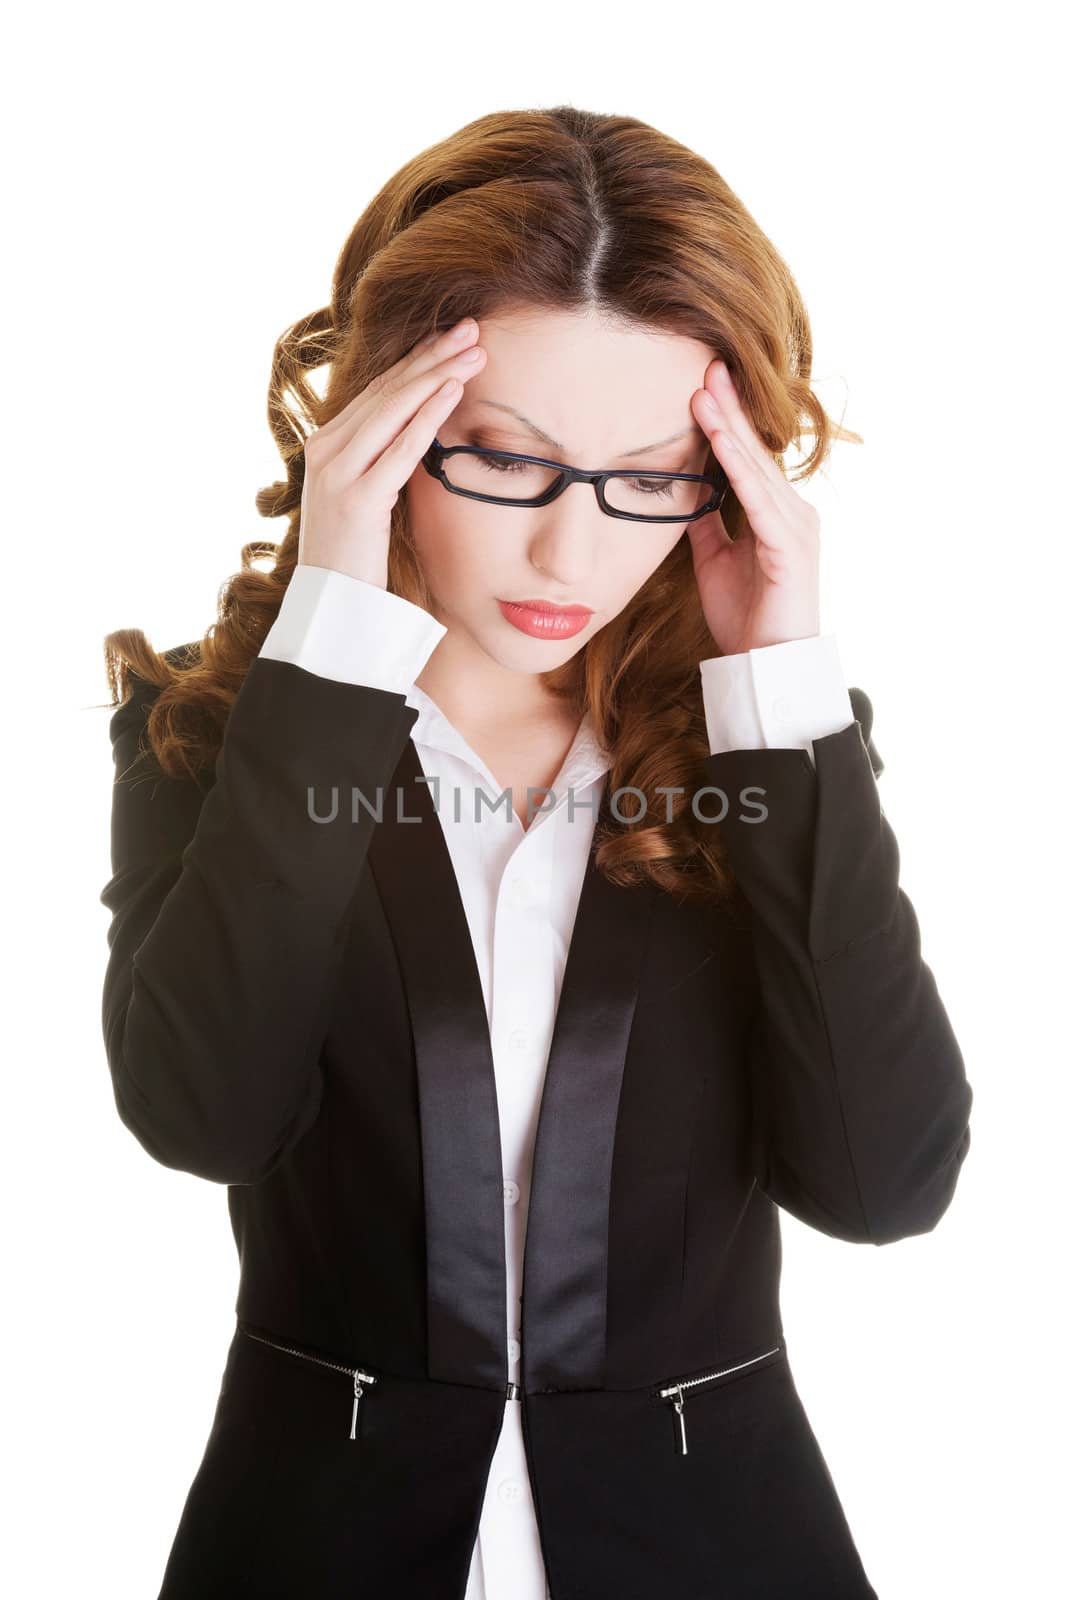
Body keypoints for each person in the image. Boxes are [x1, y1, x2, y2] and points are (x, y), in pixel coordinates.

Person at [99, 105, 973, 1599]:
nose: (575, 556)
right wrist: (330, 651)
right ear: (382, 428)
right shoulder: (221, 725)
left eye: (651, 476)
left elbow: (885, 1186)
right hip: (315, 1547)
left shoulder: (755, 745)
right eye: (506, 462)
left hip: (715, 1552)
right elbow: (203, 1118)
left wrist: (779, 689)